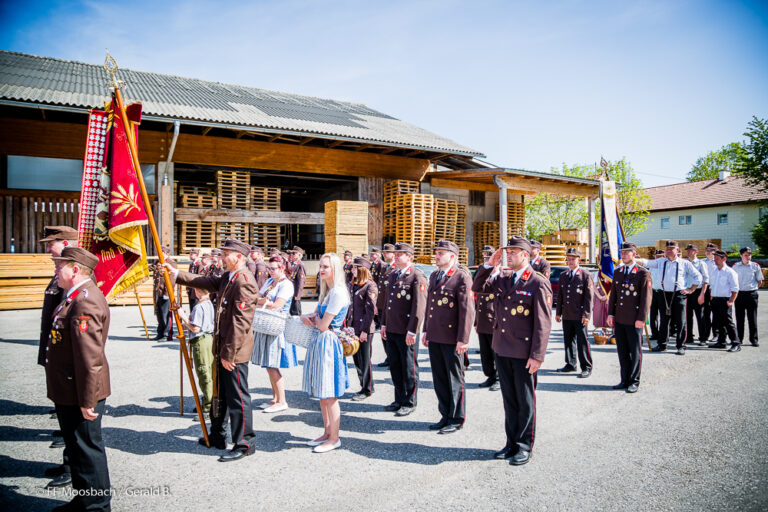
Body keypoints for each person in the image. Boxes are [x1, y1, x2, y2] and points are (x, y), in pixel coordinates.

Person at [167, 238, 258, 462]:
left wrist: (229, 354)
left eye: (226, 254)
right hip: (223, 347)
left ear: (239, 257)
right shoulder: (229, 276)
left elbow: (240, 322)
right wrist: (176, 274)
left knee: (237, 397)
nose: (222, 257)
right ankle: (218, 435)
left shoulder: (244, 280)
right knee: (221, 395)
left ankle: (245, 443)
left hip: (233, 351)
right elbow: (207, 282)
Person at [472, 236, 552, 466]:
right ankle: (511, 442)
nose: (509, 255)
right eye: (507, 252)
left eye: (514, 252)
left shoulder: (537, 282)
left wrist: (537, 355)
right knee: (509, 399)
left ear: (525, 255)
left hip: (524, 352)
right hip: (503, 348)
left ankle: (524, 446)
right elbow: (478, 287)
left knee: (524, 400)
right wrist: (489, 265)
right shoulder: (504, 278)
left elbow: (543, 323)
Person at [48, 247, 112, 511]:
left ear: (75, 270)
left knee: (87, 451)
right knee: (76, 449)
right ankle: (84, 499)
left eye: (59, 266)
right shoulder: (73, 296)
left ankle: (96, 505)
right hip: (70, 388)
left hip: (80, 391)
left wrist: (88, 400)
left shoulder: (85, 300)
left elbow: (90, 357)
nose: (55, 271)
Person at [38, 226, 78, 488]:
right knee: (64, 411)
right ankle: (68, 459)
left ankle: (71, 467)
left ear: (64, 242)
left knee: (74, 418)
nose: (47, 248)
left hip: (67, 358)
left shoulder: (74, 276)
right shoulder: (60, 273)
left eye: (50, 243)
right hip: (55, 350)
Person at [423, 240, 475, 434]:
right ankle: (445, 414)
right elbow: (430, 306)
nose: (436, 256)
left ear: (452, 256)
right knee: (440, 378)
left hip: (453, 337)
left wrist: (463, 339)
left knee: (455, 379)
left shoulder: (461, 277)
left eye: (441, 253)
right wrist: (426, 330)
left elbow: (467, 311)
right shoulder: (435, 275)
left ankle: (456, 417)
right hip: (435, 335)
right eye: (436, 252)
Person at [301, 252, 351, 453]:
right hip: (322, 341)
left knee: (330, 393)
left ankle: (334, 438)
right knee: (323, 393)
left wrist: (310, 320)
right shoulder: (328, 291)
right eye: (321, 266)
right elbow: (318, 317)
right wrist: (312, 318)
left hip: (329, 342)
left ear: (335, 270)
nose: (321, 270)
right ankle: (327, 432)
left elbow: (323, 325)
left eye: (325, 267)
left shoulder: (338, 292)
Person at [380, 242, 427, 417]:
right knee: (395, 366)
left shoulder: (417, 276)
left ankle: (409, 401)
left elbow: (419, 306)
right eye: (396, 254)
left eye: (401, 254)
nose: (397, 256)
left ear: (409, 257)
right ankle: (399, 398)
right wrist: (383, 324)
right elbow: (387, 303)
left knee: (408, 368)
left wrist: (413, 330)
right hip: (392, 328)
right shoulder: (393, 275)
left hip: (407, 331)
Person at [251, 255, 297, 413]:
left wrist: (263, 302)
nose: (270, 271)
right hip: (266, 324)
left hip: (276, 326)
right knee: (267, 364)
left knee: (272, 364)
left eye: (273, 268)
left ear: (282, 268)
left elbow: (278, 305)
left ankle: (282, 401)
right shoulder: (271, 282)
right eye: (269, 268)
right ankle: (275, 398)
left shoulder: (287, 284)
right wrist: (264, 301)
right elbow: (257, 298)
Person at [639, 240, 702, 355]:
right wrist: (633, 258)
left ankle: (681, 346)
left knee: (681, 321)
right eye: (667, 249)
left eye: (671, 249)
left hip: (679, 295)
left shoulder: (684, 263)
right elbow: (646, 262)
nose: (668, 251)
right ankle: (662, 344)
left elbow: (698, 276)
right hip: (664, 294)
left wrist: (691, 289)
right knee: (664, 321)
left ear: (677, 250)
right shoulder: (661, 261)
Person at [607, 242, 652, 394]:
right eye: (622, 252)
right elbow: (614, 296)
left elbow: (646, 299)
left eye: (627, 252)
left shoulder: (642, 273)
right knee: (622, 351)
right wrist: (611, 314)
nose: (624, 255)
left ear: (634, 253)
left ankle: (634, 381)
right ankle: (624, 379)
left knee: (635, 351)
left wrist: (642, 318)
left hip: (634, 319)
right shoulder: (618, 272)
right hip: (619, 318)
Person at [555, 248, 594, 378]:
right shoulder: (563, 275)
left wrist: (587, 315)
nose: (570, 261)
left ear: (579, 260)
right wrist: (558, 312)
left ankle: (586, 366)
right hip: (567, 314)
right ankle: (571, 364)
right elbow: (560, 296)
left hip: (580, 315)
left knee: (582, 341)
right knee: (568, 340)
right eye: (569, 259)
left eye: (573, 259)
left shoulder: (585, 275)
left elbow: (589, 298)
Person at [178, 287, 215, 420]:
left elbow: (195, 328)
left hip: (201, 340)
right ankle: (207, 401)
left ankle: (208, 408)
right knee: (208, 372)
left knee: (204, 373)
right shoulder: (209, 303)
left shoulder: (199, 307)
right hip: (208, 338)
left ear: (198, 291)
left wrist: (182, 316)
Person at [347, 257, 378, 401]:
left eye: (355, 267)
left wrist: (365, 330)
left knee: (365, 360)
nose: (352, 269)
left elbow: (370, 311)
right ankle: (363, 385)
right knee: (357, 359)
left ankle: (367, 388)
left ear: (361, 270)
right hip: (353, 328)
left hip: (364, 328)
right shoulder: (353, 285)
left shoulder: (370, 286)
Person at [475, 245, 500, 391]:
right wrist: (476, 322)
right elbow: (478, 301)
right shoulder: (484, 278)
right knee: (485, 353)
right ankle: (490, 376)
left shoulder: (501, 278)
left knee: (495, 352)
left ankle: (498, 378)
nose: (486, 261)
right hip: (483, 321)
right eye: (484, 258)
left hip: (495, 323)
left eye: (489, 258)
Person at [708, 249, 741, 352]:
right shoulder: (714, 271)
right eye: (715, 258)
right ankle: (721, 342)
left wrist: (731, 301)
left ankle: (736, 343)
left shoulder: (730, 272)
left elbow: (735, 289)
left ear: (724, 259)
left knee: (728, 322)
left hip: (725, 300)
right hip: (715, 299)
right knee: (718, 322)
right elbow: (711, 286)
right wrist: (711, 298)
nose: (715, 260)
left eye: (717, 258)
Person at [733, 247, 762, 347]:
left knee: (752, 318)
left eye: (749, 254)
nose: (748, 257)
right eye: (745, 255)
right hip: (739, 294)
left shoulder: (755, 266)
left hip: (751, 294)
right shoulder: (736, 266)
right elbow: (732, 280)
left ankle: (754, 339)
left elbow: (760, 281)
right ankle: (739, 339)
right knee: (739, 318)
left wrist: (752, 289)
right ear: (741, 255)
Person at [683, 244, 710, 347]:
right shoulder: (685, 263)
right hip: (687, 291)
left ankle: (703, 338)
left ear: (696, 252)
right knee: (687, 316)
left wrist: (702, 294)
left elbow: (705, 280)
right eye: (688, 250)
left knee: (700, 316)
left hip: (697, 292)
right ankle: (689, 336)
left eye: (691, 250)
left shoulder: (701, 263)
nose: (689, 252)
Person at [376, 243, 397, 367]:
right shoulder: (384, 267)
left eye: (387, 252)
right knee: (384, 335)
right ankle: (389, 357)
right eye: (383, 252)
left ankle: (392, 358)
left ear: (394, 254)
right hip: (381, 306)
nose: (384, 254)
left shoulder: (395, 268)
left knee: (389, 334)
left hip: (389, 307)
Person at [153, 245, 177, 341]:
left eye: (161, 252)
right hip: (158, 292)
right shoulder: (157, 262)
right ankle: (160, 333)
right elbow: (153, 270)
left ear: (166, 253)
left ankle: (167, 334)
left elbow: (171, 280)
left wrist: (167, 293)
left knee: (166, 314)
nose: (159, 254)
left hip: (165, 293)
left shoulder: (171, 263)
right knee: (159, 314)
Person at [700, 243, 720, 343]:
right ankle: (705, 334)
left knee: (715, 313)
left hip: (715, 289)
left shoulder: (717, 262)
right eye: (707, 250)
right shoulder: (702, 262)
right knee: (705, 313)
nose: (708, 252)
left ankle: (716, 334)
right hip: (705, 289)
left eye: (711, 250)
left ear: (715, 252)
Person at [648, 249, 665, 341]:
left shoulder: (665, 266)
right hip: (653, 291)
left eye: (660, 256)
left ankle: (663, 333)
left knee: (663, 314)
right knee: (653, 314)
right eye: (657, 256)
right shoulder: (652, 267)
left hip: (662, 292)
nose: (658, 258)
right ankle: (654, 333)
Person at [287, 246, 306, 316]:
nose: (292, 254)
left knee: (296, 311)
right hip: (291, 290)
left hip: (295, 291)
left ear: (299, 255)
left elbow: (301, 281)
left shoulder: (300, 265)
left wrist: (298, 294)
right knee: (291, 310)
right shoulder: (292, 264)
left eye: (294, 253)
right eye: (291, 253)